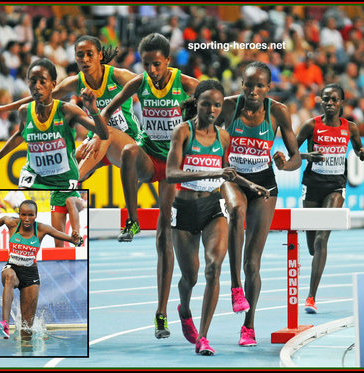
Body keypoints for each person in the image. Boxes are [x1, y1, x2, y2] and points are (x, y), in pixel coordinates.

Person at [101, 33, 199, 339]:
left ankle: (161, 313)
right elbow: (106, 112)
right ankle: (131, 220)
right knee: (129, 152)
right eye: (147, 65)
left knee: (163, 236)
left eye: (157, 65)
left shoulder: (186, 84)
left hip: (173, 164)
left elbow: (216, 106)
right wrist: (96, 125)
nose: (152, 70)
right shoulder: (139, 83)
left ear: (168, 62)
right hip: (148, 156)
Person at [166, 80, 269, 355]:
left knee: (214, 267)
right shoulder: (183, 133)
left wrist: (251, 185)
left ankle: (203, 337)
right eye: (206, 104)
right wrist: (206, 174)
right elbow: (171, 174)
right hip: (185, 209)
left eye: (217, 105)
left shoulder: (223, 138)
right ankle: (184, 308)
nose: (212, 109)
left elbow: (228, 172)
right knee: (190, 277)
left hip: (213, 207)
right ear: (196, 103)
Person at [219, 61, 301, 346]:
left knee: (252, 262)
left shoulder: (278, 111)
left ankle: (249, 326)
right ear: (241, 84)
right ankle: (234, 286)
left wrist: (285, 164)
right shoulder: (228, 107)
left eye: (259, 86)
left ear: (268, 88)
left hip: (265, 183)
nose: (253, 90)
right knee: (236, 209)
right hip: (233, 177)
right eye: (248, 84)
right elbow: (205, 135)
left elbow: (296, 157)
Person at [0, 35, 141, 182]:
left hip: (127, 143)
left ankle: (72, 183)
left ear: (99, 56)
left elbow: (151, 87)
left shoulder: (118, 75)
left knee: (107, 133)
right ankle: (71, 198)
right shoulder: (75, 82)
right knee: (66, 166)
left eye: (89, 54)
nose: (85, 59)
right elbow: (40, 96)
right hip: (97, 143)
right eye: (80, 55)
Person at [0, 58, 109, 189]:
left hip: (62, 179)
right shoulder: (25, 111)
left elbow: (103, 133)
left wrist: (93, 110)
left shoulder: (67, 110)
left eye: (42, 81)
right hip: (33, 175)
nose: (37, 86)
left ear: (53, 84)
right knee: (23, 204)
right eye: (33, 82)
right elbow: (20, 135)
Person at [294, 83, 364, 314]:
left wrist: (361, 153)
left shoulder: (351, 128)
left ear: (341, 103)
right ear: (320, 101)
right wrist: (308, 155)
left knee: (321, 240)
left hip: (336, 187)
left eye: (334, 99)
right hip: (312, 186)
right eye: (326, 99)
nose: (330, 103)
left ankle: (311, 297)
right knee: (311, 245)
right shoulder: (310, 125)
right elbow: (292, 152)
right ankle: (316, 261)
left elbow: (359, 149)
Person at [0, 199, 82, 339]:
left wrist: (76, 238)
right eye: (23, 215)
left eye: (30, 215)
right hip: (12, 267)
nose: (27, 219)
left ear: (36, 215)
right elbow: (2, 219)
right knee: (9, 277)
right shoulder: (12, 224)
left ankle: (27, 344)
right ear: (19, 214)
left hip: (31, 274)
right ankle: (5, 324)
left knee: (26, 329)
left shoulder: (42, 228)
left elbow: (71, 239)